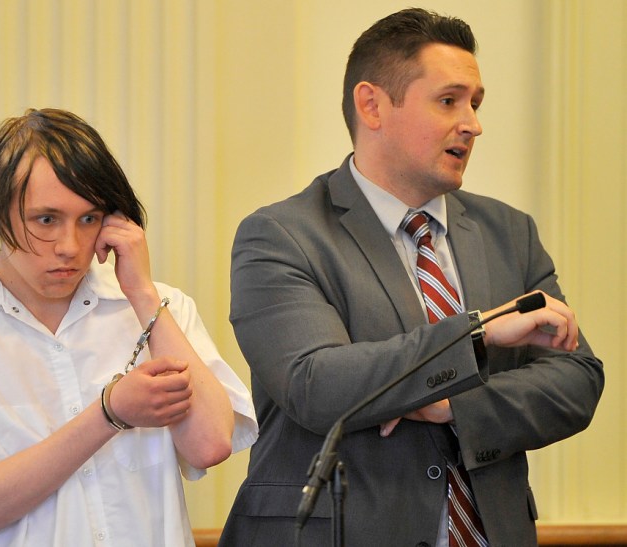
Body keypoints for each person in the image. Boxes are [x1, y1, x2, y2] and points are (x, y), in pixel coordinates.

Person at [219, 8, 603, 547]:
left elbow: (575, 381)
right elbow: (315, 383)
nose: (472, 123)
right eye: (449, 101)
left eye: (475, 103)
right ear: (372, 105)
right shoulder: (283, 235)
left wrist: (450, 405)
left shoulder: (509, 232)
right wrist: (476, 334)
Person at [0, 108, 258, 546]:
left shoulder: (158, 305)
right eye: (46, 220)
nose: (70, 247)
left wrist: (140, 292)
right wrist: (109, 412)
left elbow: (211, 445)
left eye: (89, 219)